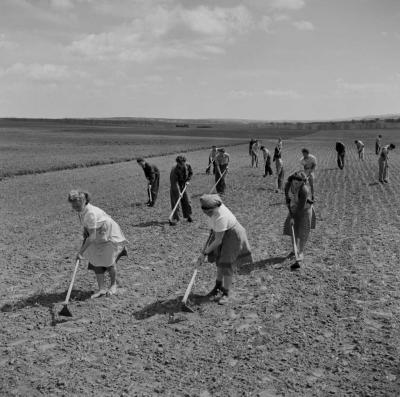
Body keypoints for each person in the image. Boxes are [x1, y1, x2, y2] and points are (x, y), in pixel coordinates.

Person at [68, 190, 127, 298]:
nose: (75, 208)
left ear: (84, 201)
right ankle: (101, 289)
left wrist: (80, 252)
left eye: (77, 205)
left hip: (107, 234)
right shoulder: (82, 210)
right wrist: (85, 233)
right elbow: (88, 230)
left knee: (109, 261)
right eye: (73, 206)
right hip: (96, 233)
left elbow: (92, 237)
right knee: (96, 260)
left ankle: (113, 285)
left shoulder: (90, 213)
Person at [198, 194, 253, 305]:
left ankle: (226, 293)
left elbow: (218, 240)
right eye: (205, 212)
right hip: (222, 232)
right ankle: (217, 287)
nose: (207, 214)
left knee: (226, 264)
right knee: (219, 260)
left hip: (233, 235)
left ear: (214, 208)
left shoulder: (220, 216)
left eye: (209, 212)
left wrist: (205, 253)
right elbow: (215, 230)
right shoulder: (213, 210)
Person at [283, 171, 316, 270]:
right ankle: (294, 250)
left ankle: (300, 253)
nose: (296, 182)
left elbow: (301, 208)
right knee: (294, 231)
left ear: (303, 182)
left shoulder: (304, 190)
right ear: (292, 179)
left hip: (305, 211)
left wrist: (294, 217)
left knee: (303, 232)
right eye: (295, 180)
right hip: (294, 209)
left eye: (299, 181)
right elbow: (288, 201)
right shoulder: (288, 186)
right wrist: (291, 214)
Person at [170, 155, 193, 225]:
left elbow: (190, 173)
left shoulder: (188, 165)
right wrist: (179, 192)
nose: (182, 165)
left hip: (183, 184)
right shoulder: (174, 170)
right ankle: (177, 218)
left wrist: (188, 180)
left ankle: (188, 215)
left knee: (187, 200)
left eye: (183, 163)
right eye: (180, 164)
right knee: (176, 202)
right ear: (177, 163)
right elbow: (174, 182)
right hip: (175, 185)